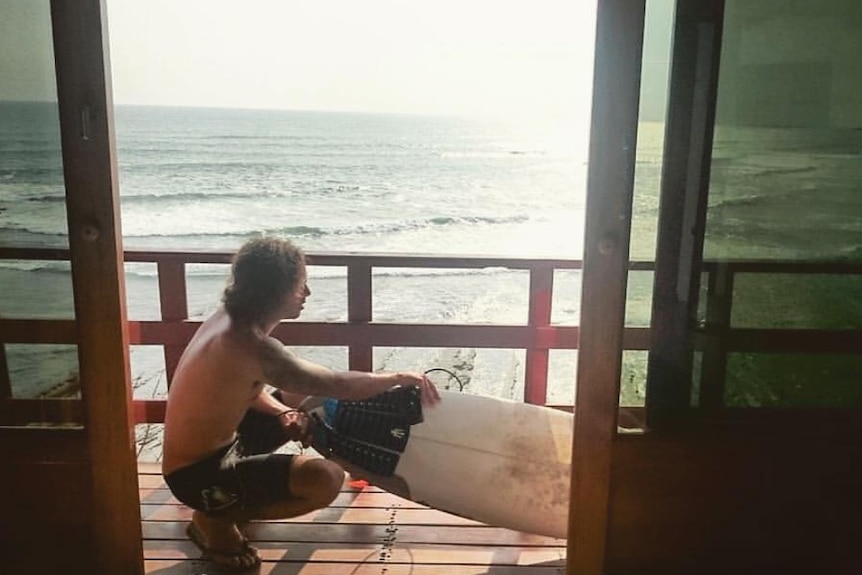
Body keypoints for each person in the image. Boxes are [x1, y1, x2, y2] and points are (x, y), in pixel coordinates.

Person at [161, 236, 440, 570]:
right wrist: (395, 377)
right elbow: (336, 384)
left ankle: (221, 508)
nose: (307, 294)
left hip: (217, 446)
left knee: (295, 398)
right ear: (275, 292)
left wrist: (282, 411)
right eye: (301, 286)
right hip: (197, 475)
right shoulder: (250, 344)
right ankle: (215, 520)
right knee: (326, 478)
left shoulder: (229, 319)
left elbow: (244, 390)